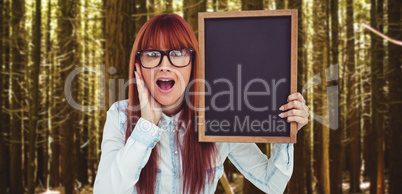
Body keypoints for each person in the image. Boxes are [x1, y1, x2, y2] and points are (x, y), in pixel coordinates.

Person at [94, 13, 309, 194]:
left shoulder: (219, 117)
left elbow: (273, 184)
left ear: (193, 63)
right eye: (152, 54)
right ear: (138, 65)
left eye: (177, 53)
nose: (165, 65)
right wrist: (147, 126)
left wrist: (286, 129)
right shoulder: (120, 116)